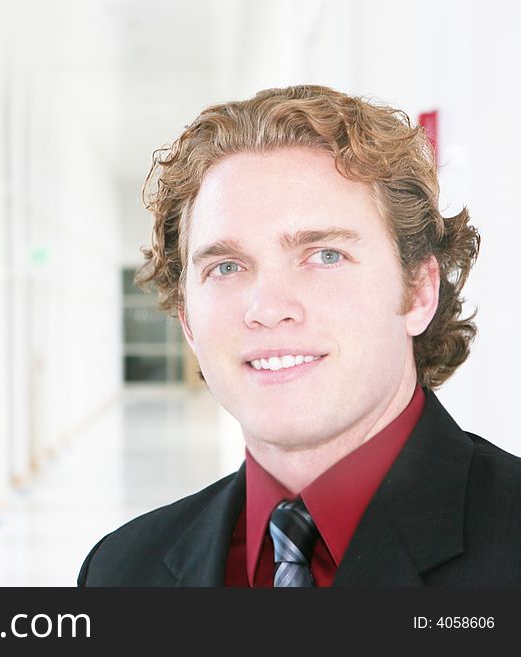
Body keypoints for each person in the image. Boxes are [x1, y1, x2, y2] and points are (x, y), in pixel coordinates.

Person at [79, 85, 521, 587]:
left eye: (324, 255)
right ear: (187, 320)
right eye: (226, 266)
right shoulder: (120, 572)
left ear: (419, 291)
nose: (267, 308)